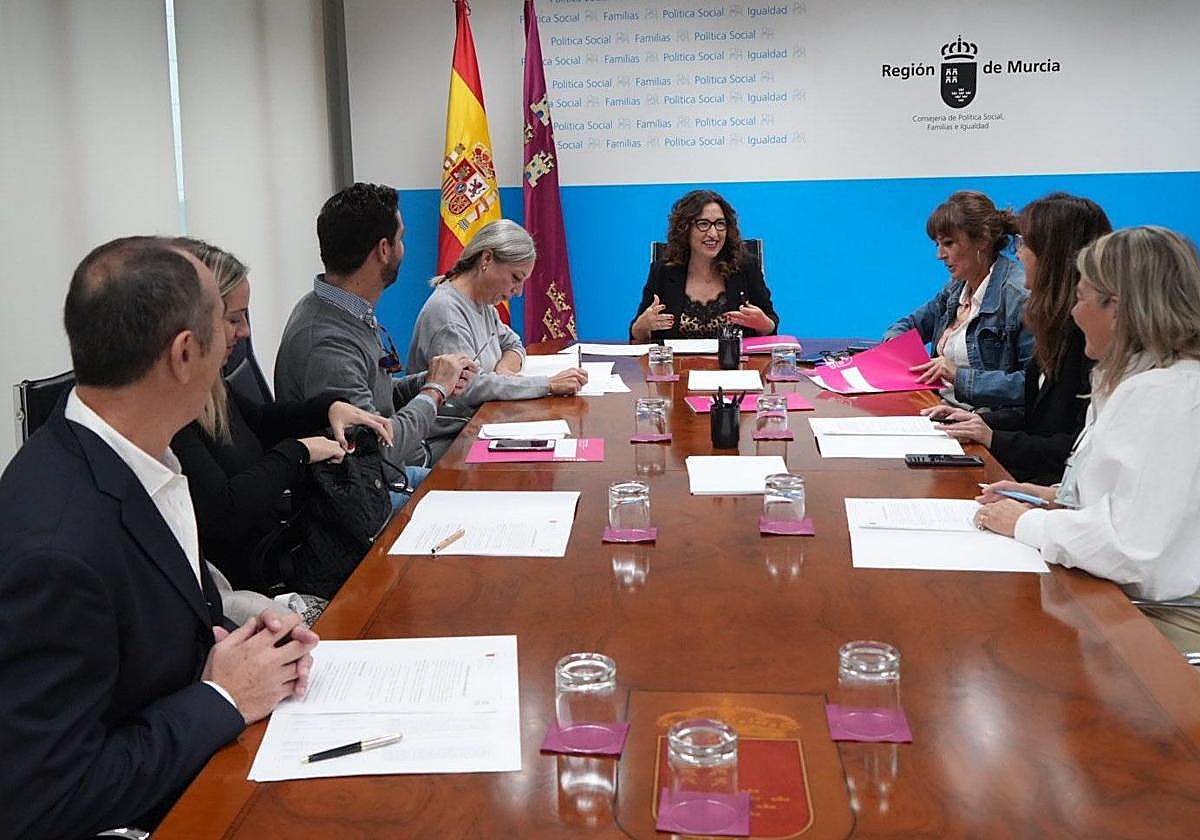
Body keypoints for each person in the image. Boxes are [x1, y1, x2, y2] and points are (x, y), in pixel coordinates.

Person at [0, 237, 319, 838]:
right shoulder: (56, 549)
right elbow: (44, 800)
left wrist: (247, 646)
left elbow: (155, 627)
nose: (234, 342)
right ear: (182, 353)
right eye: (222, 328)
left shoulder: (140, 460)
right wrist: (223, 698)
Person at [975, 227, 1200, 649]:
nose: (1074, 314)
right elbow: (1139, 502)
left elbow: (1132, 550)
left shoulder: (1165, 397)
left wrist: (1026, 521)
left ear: (1117, 307)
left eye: (1080, 298)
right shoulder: (1145, 381)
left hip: (1157, 620)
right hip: (1130, 600)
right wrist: (1051, 496)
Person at [171, 239, 393, 592]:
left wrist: (327, 407)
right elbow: (226, 512)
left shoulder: (210, 385)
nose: (244, 331)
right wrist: (300, 452)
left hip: (287, 541)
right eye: (233, 319)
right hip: (262, 575)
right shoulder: (171, 415)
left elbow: (259, 420)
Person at [275, 182, 476, 479]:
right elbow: (376, 450)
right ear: (384, 249)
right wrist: (435, 392)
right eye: (401, 239)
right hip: (374, 487)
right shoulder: (327, 342)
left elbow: (374, 396)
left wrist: (430, 379)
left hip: (393, 470)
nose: (403, 248)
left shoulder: (344, 308)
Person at [923, 194, 1112, 483]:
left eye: (1024, 245)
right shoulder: (1053, 322)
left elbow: (1076, 446)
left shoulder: (1084, 337)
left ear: (1053, 255)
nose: (1019, 254)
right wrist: (976, 423)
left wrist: (992, 436)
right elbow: (1036, 414)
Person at [408, 220, 587, 424]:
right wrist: (548, 384)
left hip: (481, 421)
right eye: (515, 278)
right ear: (487, 258)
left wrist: (504, 371)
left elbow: (513, 344)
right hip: (450, 437)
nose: (518, 292)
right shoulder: (447, 313)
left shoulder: (483, 304)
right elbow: (468, 387)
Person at [884, 190, 1033, 408]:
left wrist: (959, 376)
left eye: (949, 243)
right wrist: (893, 348)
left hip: (983, 423)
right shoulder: (955, 288)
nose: (940, 255)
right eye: (937, 245)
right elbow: (910, 325)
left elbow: (1031, 386)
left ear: (982, 239)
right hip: (938, 407)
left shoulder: (1019, 297)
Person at [630, 189, 778, 342]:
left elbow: (770, 325)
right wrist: (642, 326)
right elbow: (638, 334)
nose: (714, 233)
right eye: (704, 224)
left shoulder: (745, 267)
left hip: (735, 364)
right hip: (677, 365)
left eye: (720, 224)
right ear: (685, 229)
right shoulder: (663, 271)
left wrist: (764, 324)